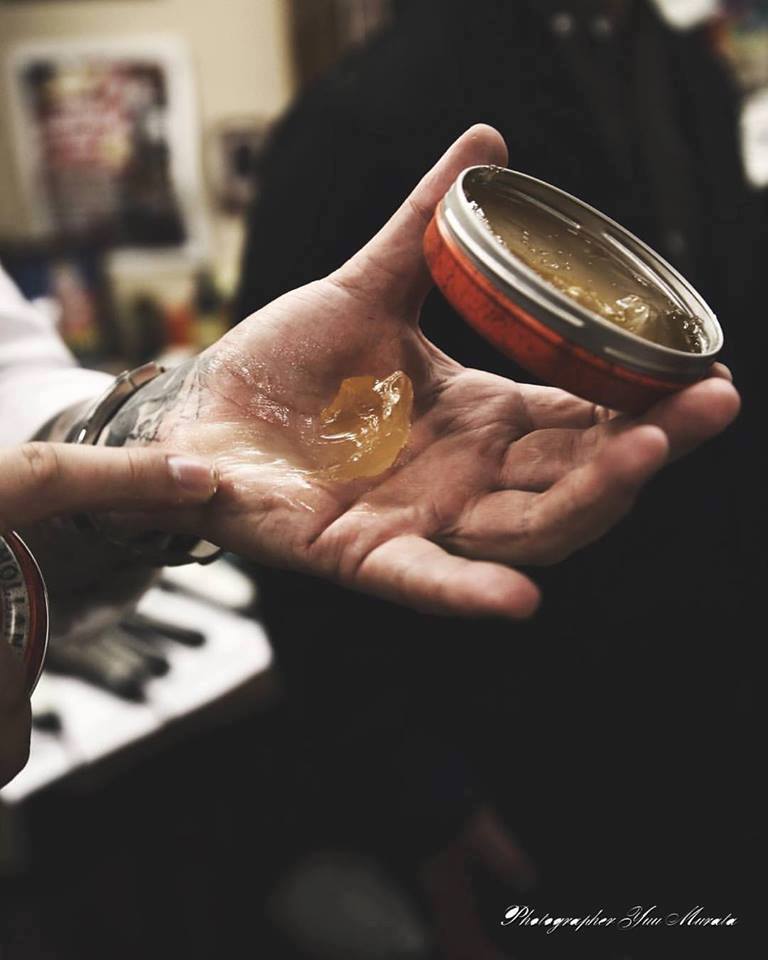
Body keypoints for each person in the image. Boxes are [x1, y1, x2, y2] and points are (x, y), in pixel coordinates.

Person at [234, 2, 762, 954]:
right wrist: (418, 791)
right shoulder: (365, 111)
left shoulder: (691, 71)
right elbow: (293, 476)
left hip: (713, 692)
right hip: (519, 727)